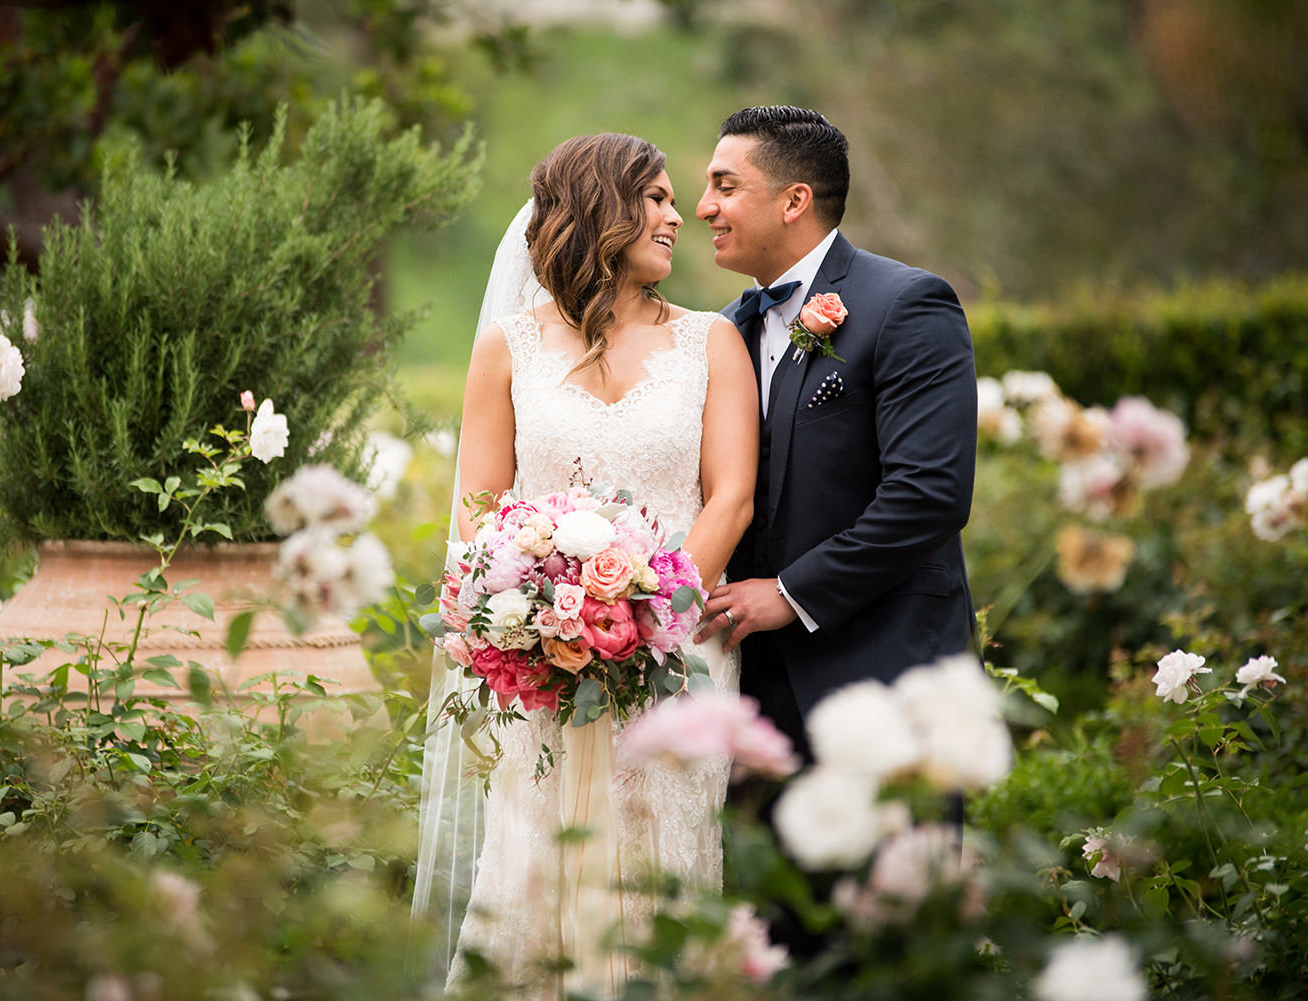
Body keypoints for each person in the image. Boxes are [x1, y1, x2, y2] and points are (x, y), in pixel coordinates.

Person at [413, 133, 759, 1000]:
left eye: (679, 199)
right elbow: (481, 506)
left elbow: (730, 500)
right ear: (600, 208)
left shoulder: (712, 342)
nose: (679, 216)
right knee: (536, 872)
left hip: (676, 664)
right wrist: (528, 616)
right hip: (548, 669)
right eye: (657, 198)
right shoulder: (507, 348)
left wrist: (653, 616)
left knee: (659, 876)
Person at [694, 105, 978, 762]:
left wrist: (792, 593)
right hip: (750, 698)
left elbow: (929, 493)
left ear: (795, 200)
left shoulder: (907, 304)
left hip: (884, 681)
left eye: (725, 185)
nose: (704, 207)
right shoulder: (724, 330)